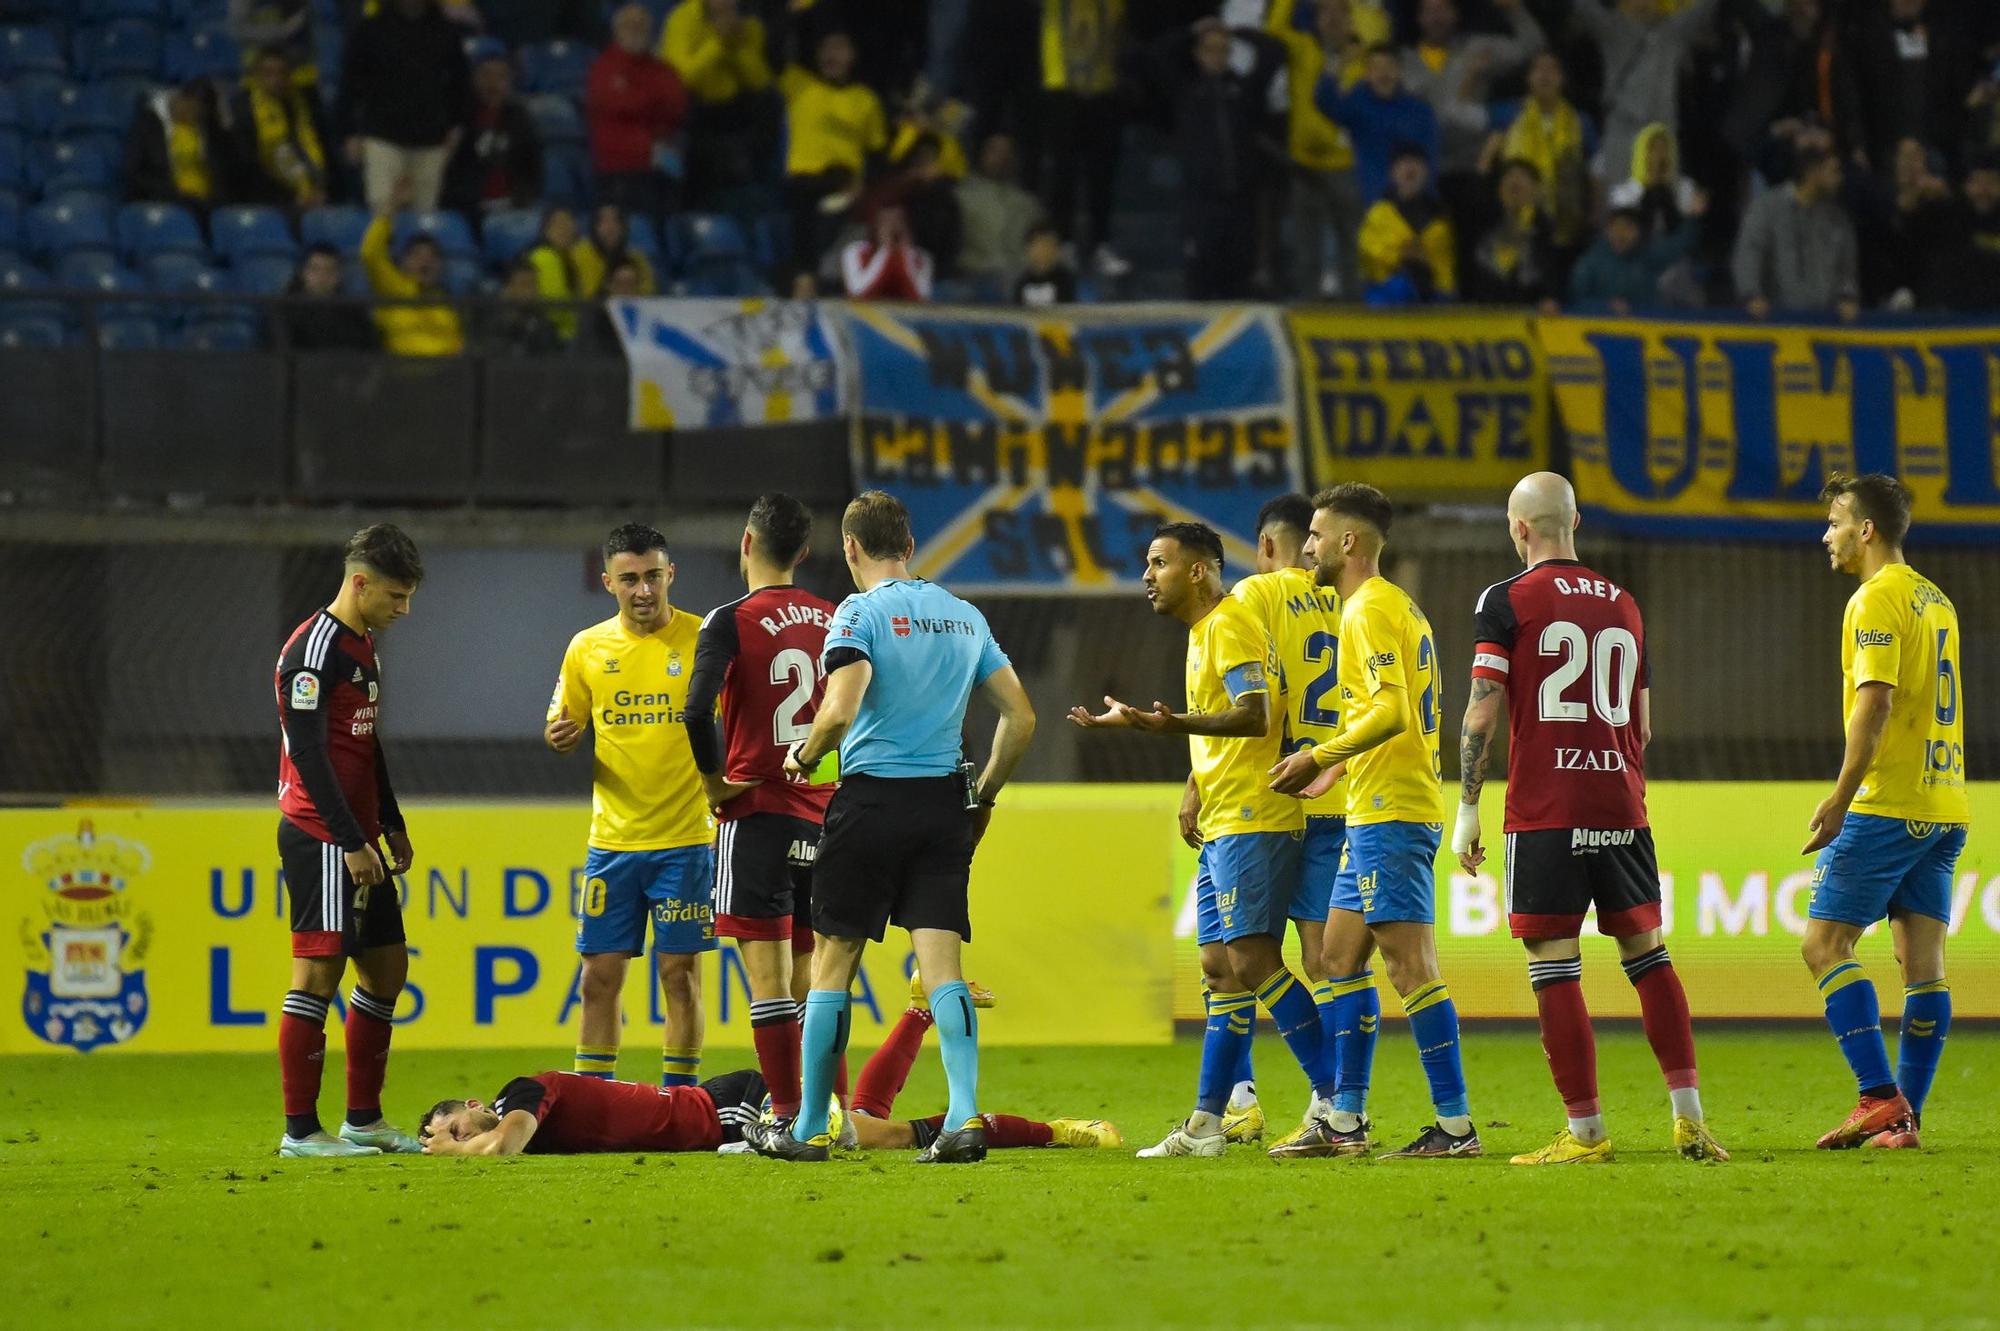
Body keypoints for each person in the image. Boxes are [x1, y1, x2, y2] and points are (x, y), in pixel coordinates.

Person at [741, 491, 1037, 1164]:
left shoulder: (858, 613)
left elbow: (840, 710)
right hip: (942, 808)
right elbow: (1021, 719)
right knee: (943, 969)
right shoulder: (964, 617)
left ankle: (813, 1124)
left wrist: (804, 753)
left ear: (850, 549)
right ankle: (964, 1117)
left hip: (870, 804)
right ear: (909, 546)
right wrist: (982, 794)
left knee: (832, 964)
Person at [1452, 472, 1728, 1165]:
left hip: (1546, 809)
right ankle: (1690, 1120)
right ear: (1572, 521)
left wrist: (1466, 807)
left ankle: (1586, 1133)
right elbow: (1643, 724)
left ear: (1520, 528)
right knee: (1649, 953)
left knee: (1553, 963)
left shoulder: (1506, 599)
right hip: (1621, 804)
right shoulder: (1624, 604)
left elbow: (1483, 707)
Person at [1069, 522, 1340, 1160]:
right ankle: (1207, 1124)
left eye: (1159, 562)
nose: (1147, 575)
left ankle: (1333, 1100)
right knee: (1220, 971)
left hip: (1255, 817)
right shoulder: (1204, 632)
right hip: (1223, 817)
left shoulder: (1230, 621)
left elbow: (1256, 713)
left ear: (1198, 570)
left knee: (1253, 962)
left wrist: (1165, 725)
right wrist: (1189, 774)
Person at [1268, 484, 1477, 1160]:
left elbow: (1392, 711)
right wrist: (1341, 771)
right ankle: (1345, 1122)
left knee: (1409, 965)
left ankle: (1455, 1128)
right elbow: (1387, 714)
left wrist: (1319, 753)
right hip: (1373, 803)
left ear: (1349, 543)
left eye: (1318, 534)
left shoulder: (1365, 610)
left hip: (1395, 811)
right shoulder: (1398, 608)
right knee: (1337, 954)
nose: (1308, 546)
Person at [1799, 474, 1967, 1152]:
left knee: (1824, 945)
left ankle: (1877, 1097)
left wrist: (1840, 797)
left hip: (1888, 803)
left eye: (1836, 522)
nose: (1827, 534)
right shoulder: (1937, 598)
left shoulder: (1876, 598)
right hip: (1945, 803)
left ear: (1866, 530)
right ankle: (1905, 1119)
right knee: (1921, 964)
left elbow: (1876, 701)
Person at [417, 1007, 1119, 1156]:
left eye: (449, 1127)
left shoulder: (521, 1091)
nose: (451, 1138)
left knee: (886, 1134)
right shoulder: (517, 1110)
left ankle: (1056, 1130)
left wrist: (445, 1152)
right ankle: (912, 1013)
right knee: (863, 1122)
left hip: (730, 1109)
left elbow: (500, 1150)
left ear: (475, 1106)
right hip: (723, 1109)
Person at [682, 494, 840, 1128]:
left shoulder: (728, 619)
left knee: (770, 985)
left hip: (757, 813)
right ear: (803, 552)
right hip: (826, 813)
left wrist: (716, 783)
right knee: (816, 978)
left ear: (747, 543)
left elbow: (695, 712)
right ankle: (831, 1110)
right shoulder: (836, 617)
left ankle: (786, 1115)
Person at [271, 524, 426, 1158]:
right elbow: (308, 752)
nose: (404, 609)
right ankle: (301, 1131)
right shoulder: (312, 652)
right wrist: (349, 840)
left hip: (360, 836)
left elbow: (364, 742)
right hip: (320, 834)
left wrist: (390, 822)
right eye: (395, 595)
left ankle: (363, 1119)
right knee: (317, 973)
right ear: (359, 583)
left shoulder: (364, 644)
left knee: (388, 968)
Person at [545, 524, 716, 1090]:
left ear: (671, 574)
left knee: (679, 975)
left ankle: (681, 1101)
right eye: (629, 579)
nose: (643, 590)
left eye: (652, 576)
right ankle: (594, 1100)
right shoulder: (586, 647)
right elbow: (561, 722)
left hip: (687, 838)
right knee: (597, 978)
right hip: (612, 843)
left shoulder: (705, 640)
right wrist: (560, 737)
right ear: (608, 583)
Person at [1206, 495, 1354, 1152]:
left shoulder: (1255, 595)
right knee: (1327, 963)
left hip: (1273, 796)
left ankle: (1260, 1100)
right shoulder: (1355, 599)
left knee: (1238, 957)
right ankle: (1341, 1105)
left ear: (1266, 545)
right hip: (1339, 795)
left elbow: (1250, 702)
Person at [336, 0, 471, 213]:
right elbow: (349, 86)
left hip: (430, 141)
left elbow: (459, 85)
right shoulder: (370, 30)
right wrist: (349, 133)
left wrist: (456, 126)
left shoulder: (446, 32)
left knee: (423, 222)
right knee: (383, 213)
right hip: (382, 138)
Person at [1570, 0, 1722, 186]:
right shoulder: (1612, 29)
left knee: (1663, 199)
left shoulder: (1674, 31)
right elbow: (1584, 6)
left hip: (1663, 131)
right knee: (1620, 201)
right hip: (1623, 128)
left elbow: (1705, 6)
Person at [780, 31, 887, 285]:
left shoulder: (865, 99)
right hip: (804, 181)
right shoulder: (799, 84)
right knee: (809, 210)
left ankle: (815, 278)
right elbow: (773, 51)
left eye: (839, 48)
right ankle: (805, 277)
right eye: (826, 49)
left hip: (845, 184)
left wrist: (861, 186)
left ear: (852, 56)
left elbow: (878, 154)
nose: (831, 55)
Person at [1039, 0, 1131, 279]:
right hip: (1063, 88)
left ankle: (1100, 246)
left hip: (1102, 90)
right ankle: (1063, 243)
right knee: (1063, 173)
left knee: (1101, 175)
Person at [659, 0, 773, 210]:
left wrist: (737, 48)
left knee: (770, 101)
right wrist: (717, 43)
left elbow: (759, 81)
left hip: (734, 110)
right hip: (693, 111)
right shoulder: (682, 19)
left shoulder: (749, 23)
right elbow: (680, 78)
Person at [587, 4, 690, 225]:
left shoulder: (663, 69)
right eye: (629, 25)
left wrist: (637, 98)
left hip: (662, 165)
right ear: (616, 30)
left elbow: (676, 105)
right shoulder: (603, 67)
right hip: (619, 167)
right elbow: (616, 104)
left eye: (642, 25)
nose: (636, 30)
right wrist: (652, 102)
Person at [1731, 146, 1859, 320]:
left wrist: (1847, 297)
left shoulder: (1837, 219)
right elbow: (1750, 252)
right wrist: (1751, 294)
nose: (1839, 178)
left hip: (1826, 325)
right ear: (1812, 172)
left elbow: (1846, 268)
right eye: (1833, 171)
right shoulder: (1768, 208)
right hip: (1776, 322)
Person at [1490, 50, 1592, 254]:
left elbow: (1595, 171)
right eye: (1538, 69)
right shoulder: (1507, 114)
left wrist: (1593, 214)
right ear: (1528, 78)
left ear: (1562, 78)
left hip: (1564, 223)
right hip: (1515, 219)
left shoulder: (1581, 122)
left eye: (1552, 69)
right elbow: (1486, 162)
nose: (1545, 75)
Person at [1319, 44, 1438, 214]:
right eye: (1376, 68)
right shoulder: (1357, 104)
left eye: (1389, 67)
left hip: (1413, 207)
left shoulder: (1420, 112)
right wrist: (1338, 64)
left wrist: (1428, 205)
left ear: (1400, 71)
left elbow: (1430, 160)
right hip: (1371, 206)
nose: (1383, 73)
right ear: (1367, 74)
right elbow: (1325, 103)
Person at [358, 179, 464, 356]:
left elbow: (458, 346)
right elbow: (370, 253)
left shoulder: (446, 302)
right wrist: (391, 209)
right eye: (417, 255)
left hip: (444, 375)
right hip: (403, 374)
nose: (425, 261)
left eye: (432, 257)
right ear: (404, 262)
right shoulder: (391, 288)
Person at [229, 46, 330, 210]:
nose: (276, 80)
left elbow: (312, 149)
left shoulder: (302, 106)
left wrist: (318, 187)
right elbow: (249, 167)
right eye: (269, 73)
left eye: (282, 73)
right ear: (257, 75)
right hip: (265, 199)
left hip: (309, 194)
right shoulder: (244, 111)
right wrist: (290, 198)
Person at [443, 52, 542, 216]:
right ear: (474, 79)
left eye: (501, 77)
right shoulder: (460, 115)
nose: (493, 83)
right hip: (467, 207)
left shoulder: (520, 117)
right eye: (487, 75)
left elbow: (532, 165)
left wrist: (523, 198)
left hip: (512, 206)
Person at [1357, 143, 1455, 303]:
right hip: (1387, 296)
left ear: (1426, 172)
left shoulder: (1440, 220)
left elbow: (1447, 272)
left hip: (1433, 298)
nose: (1410, 167)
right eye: (1404, 162)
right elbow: (1370, 257)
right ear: (1393, 172)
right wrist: (1402, 256)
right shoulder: (1379, 214)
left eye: (1416, 162)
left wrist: (1425, 263)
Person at [955, 132, 1045, 297]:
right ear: (981, 155)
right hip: (974, 277)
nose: (1001, 158)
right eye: (994, 151)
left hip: (1020, 278)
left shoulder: (1028, 203)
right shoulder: (960, 197)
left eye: (1007, 152)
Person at [1566, 201, 1697, 314]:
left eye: (1628, 228)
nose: (1620, 234)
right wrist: (1606, 306)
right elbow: (1575, 301)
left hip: (1645, 326)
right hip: (1599, 329)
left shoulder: (1648, 257)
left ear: (1639, 232)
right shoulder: (1590, 263)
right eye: (1615, 228)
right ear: (1607, 230)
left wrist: (1694, 217)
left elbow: (1678, 244)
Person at [1465, 158, 1560, 308]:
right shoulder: (1481, 223)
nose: (1515, 180)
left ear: (1536, 189)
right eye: (1509, 175)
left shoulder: (1546, 231)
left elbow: (1552, 276)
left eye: (1523, 176)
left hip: (1527, 316)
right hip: (1483, 315)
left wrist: (1548, 298)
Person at [126, 81, 225, 217]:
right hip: (165, 200)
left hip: (205, 203)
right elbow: (135, 172)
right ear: (180, 99)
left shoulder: (205, 128)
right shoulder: (148, 123)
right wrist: (174, 193)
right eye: (190, 109)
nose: (192, 117)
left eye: (198, 114)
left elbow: (219, 171)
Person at [283, 244, 379, 351]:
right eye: (315, 269)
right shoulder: (284, 310)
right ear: (303, 273)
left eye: (330, 270)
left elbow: (370, 348)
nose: (322, 276)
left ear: (339, 275)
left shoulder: (353, 311)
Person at [840, 205, 934, 301]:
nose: (892, 226)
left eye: (899, 221)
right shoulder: (855, 251)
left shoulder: (921, 256)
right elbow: (859, 294)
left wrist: (905, 251)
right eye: (886, 221)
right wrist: (885, 249)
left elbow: (920, 297)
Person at [572, 203, 657, 296]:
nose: (610, 227)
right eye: (604, 222)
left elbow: (648, 295)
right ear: (594, 227)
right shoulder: (579, 255)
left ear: (623, 228)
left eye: (616, 221)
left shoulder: (637, 259)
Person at [526, 206, 583, 340]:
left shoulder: (570, 258)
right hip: (556, 339)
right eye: (558, 224)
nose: (565, 229)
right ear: (545, 229)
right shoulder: (544, 257)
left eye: (569, 223)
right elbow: (555, 310)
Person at [484, 260, 563, 354]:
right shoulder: (488, 323)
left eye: (535, 284)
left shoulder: (543, 324)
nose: (532, 291)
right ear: (506, 289)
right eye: (525, 285)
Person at [1014, 221, 1077, 306]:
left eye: (1049, 246)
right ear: (1029, 250)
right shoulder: (1021, 283)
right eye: (1040, 247)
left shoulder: (1068, 282)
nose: (1044, 252)